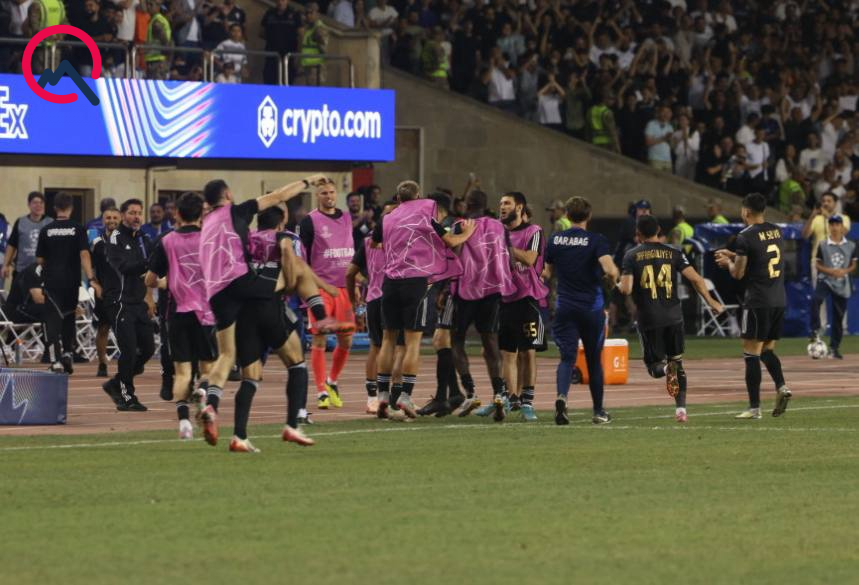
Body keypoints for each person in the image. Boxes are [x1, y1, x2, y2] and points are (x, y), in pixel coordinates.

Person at [197, 175, 332, 448]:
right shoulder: (239, 213)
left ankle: (218, 411)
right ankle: (322, 317)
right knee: (297, 360)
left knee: (230, 357)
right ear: (228, 194)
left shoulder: (207, 224)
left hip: (217, 294)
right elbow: (279, 196)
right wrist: (307, 181)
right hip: (245, 286)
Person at [371, 180, 475, 419]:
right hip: (416, 282)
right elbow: (450, 241)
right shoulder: (425, 216)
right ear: (418, 198)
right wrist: (467, 233)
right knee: (412, 342)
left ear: (398, 199)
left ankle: (383, 395)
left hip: (390, 282)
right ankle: (405, 396)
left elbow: (374, 243)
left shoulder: (387, 219)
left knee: (388, 340)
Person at [620, 215, 724, 423]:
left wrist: (616, 283)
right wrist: (712, 301)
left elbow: (626, 289)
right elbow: (696, 279)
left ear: (638, 234)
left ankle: (668, 369)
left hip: (649, 317)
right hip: (674, 316)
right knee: (678, 361)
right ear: (658, 230)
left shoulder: (631, 255)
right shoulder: (674, 252)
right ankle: (681, 410)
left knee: (654, 367)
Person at [145, 193, 218, 440]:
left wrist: (166, 281)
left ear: (177, 213)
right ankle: (203, 390)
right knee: (207, 368)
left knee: (182, 371)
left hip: (177, 312)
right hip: (205, 313)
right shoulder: (210, 239)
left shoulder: (166, 241)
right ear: (202, 214)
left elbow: (150, 279)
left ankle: (184, 423)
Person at [715, 193, 792, 419]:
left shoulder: (744, 236)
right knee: (767, 350)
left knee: (751, 353)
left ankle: (754, 408)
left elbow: (738, 273)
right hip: (779, 299)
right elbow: (761, 258)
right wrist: (735, 254)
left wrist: (728, 261)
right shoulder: (776, 230)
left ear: (746, 211)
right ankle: (782, 386)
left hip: (758, 301)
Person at [543, 196, 618, 425]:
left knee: (567, 359)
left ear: (566, 215)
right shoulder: (596, 240)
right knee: (594, 361)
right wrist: (611, 281)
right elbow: (610, 270)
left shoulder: (555, 239)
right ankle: (598, 411)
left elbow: (546, 273)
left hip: (565, 306)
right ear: (589, 215)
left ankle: (562, 397)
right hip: (591, 309)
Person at [453, 190, 516, 422]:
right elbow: (510, 259)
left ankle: (470, 392)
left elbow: (454, 255)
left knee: (455, 340)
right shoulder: (500, 227)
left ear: (467, 204)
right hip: (492, 290)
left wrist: (444, 289)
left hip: (466, 290)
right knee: (490, 341)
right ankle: (499, 392)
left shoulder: (460, 225)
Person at [298, 178, 358, 411]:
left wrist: (355, 283)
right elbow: (302, 258)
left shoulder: (347, 218)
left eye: (332, 192)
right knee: (320, 338)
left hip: (344, 288)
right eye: (324, 193)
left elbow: (351, 252)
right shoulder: (309, 221)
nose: (329, 196)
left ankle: (332, 381)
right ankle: (321, 391)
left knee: (346, 339)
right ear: (317, 195)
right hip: (321, 288)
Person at [345, 200, 407, 416]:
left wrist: (354, 299)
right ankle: (385, 397)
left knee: (382, 347)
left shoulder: (369, 240)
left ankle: (380, 397)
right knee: (393, 347)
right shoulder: (402, 240)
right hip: (391, 299)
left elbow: (350, 273)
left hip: (377, 299)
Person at [100, 199, 155, 412]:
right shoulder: (115, 237)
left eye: (139, 213)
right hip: (119, 302)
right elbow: (123, 267)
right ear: (123, 215)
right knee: (129, 351)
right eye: (132, 213)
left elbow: (152, 267)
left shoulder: (143, 238)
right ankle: (127, 396)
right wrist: (149, 263)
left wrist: (149, 296)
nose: (136, 217)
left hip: (138, 302)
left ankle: (116, 383)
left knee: (148, 349)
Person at [497, 191, 548, 422]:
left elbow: (529, 258)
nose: (502, 207)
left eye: (507, 203)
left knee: (528, 352)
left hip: (527, 297)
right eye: (501, 203)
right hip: (504, 298)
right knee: (507, 353)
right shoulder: (498, 231)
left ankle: (528, 402)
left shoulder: (533, 231)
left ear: (519, 207)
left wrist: (504, 244)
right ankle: (512, 398)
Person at [35, 193, 98, 375]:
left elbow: (40, 259)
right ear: (71, 208)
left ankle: (55, 361)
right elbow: (84, 254)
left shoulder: (46, 230)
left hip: (52, 282)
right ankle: (68, 353)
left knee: (53, 320)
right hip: (71, 282)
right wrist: (91, 278)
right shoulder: (78, 228)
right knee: (69, 316)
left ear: (54, 208)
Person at [810, 215, 857, 360]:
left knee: (838, 316)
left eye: (837, 224)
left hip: (842, 282)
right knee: (816, 299)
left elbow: (854, 264)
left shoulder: (851, 245)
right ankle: (815, 330)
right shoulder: (823, 244)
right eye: (832, 224)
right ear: (829, 227)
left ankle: (834, 348)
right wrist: (830, 271)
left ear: (842, 227)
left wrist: (844, 271)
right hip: (825, 280)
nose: (834, 227)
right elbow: (817, 264)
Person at [90, 206, 121, 378]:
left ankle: (127, 364)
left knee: (125, 328)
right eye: (108, 218)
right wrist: (95, 284)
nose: (111, 221)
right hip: (103, 292)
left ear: (120, 219)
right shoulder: (97, 243)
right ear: (103, 220)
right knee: (103, 329)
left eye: (115, 217)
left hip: (122, 292)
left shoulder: (126, 241)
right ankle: (102, 363)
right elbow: (90, 267)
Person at [3, 192, 53, 283]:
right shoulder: (20, 222)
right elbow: (11, 245)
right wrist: (5, 265)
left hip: (43, 271)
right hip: (22, 270)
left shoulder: (50, 223)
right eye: (35, 202)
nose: (38, 205)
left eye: (41, 203)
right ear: (29, 205)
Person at [802, 192, 852, 274]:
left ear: (835, 203)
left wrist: (828, 217)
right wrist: (812, 216)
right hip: (818, 260)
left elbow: (842, 232)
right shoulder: (816, 219)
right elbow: (805, 235)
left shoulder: (844, 218)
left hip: (837, 259)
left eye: (829, 201)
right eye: (823, 201)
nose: (825, 203)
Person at [645, 105, 674, 172]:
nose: (666, 114)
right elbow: (648, 142)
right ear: (659, 113)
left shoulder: (670, 127)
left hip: (668, 161)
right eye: (664, 112)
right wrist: (664, 138)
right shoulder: (651, 124)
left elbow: (672, 146)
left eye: (668, 112)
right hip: (655, 159)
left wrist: (671, 141)